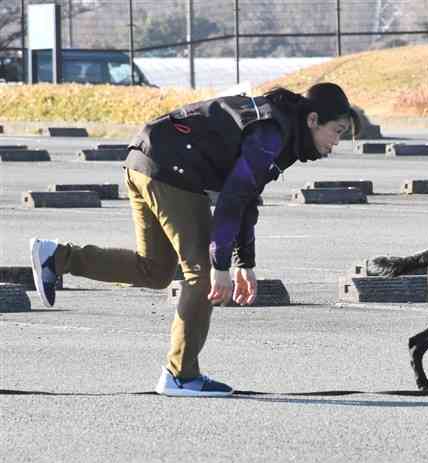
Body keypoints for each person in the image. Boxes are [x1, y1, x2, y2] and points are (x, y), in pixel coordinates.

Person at [29, 82, 359, 397]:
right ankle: (181, 375)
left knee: (155, 270)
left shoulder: (281, 126)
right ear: (313, 120)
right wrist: (220, 265)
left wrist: (245, 262)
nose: (335, 143)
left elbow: (246, 195)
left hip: (145, 161)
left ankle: (57, 257)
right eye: (337, 132)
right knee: (201, 278)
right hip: (172, 171)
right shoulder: (274, 130)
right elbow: (232, 198)